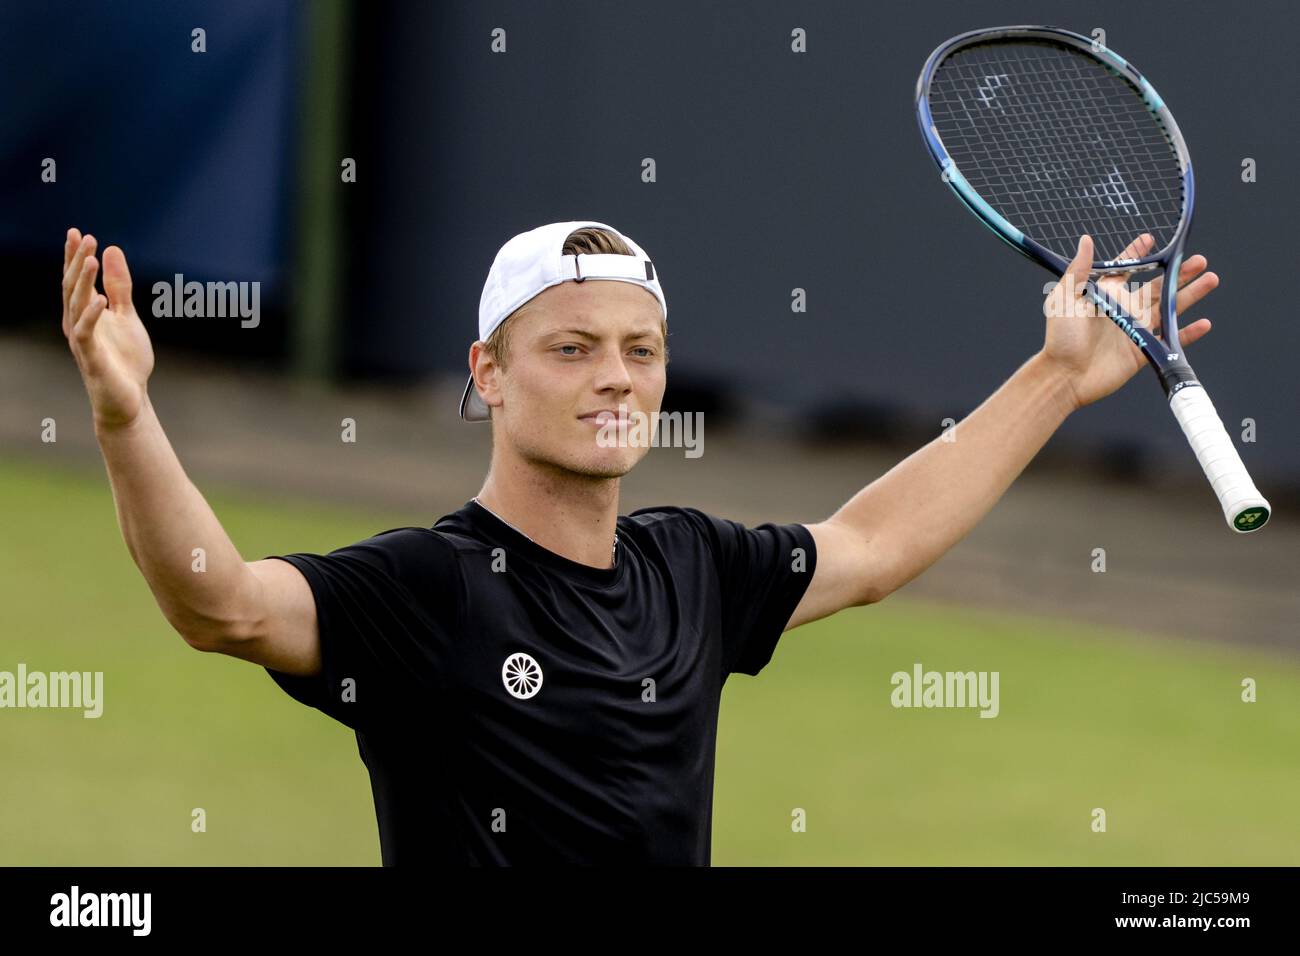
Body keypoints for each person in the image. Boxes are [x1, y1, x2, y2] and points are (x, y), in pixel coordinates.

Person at [58, 219, 1218, 864]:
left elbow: (870, 542)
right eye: (570, 347)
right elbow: (224, 604)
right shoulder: (430, 587)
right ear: (487, 374)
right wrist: (126, 416)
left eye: (639, 348)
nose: (615, 374)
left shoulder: (691, 565)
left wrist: (1058, 378)